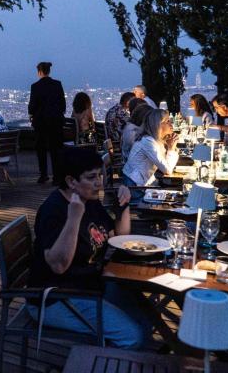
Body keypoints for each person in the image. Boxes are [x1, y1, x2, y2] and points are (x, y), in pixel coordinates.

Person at [28, 146, 145, 348]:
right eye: (91, 177)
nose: (99, 182)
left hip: (90, 286)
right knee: (132, 336)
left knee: (145, 316)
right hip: (56, 299)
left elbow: (120, 238)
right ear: (71, 181)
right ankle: (98, 362)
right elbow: (59, 265)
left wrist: (124, 206)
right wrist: (74, 218)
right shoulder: (53, 211)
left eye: (100, 175)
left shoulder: (89, 200)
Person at [28, 61, 65, 184]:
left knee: (41, 149)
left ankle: (43, 175)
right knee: (56, 149)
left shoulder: (35, 86)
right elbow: (62, 105)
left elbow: (32, 106)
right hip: (56, 122)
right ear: (49, 71)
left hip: (41, 123)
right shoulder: (57, 84)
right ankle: (57, 177)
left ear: (39, 72)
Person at [121, 109, 179, 188]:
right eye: (167, 121)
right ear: (158, 125)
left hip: (143, 184)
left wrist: (170, 147)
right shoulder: (148, 142)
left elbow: (165, 164)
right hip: (134, 187)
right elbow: (167, 170)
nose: (171, 124)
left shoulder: (155, 140)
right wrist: (171, 149)